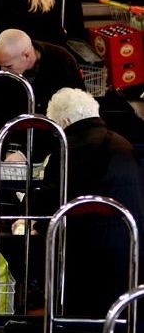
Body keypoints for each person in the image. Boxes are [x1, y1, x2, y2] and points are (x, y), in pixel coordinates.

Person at [31, 88, 144, 318]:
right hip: (131, 249)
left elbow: (49, 206)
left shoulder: (66, 148)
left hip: (86, 260)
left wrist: (34, 226)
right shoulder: (122, 143)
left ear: (65, 121)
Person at [0, 29, 84, 159]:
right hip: (16, 135)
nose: (3, 71)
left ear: (26, 55)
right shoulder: (2, 61)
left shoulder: (62, 62)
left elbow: (73, 114)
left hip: (54, 143)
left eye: (9, 67)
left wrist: (27, 154)